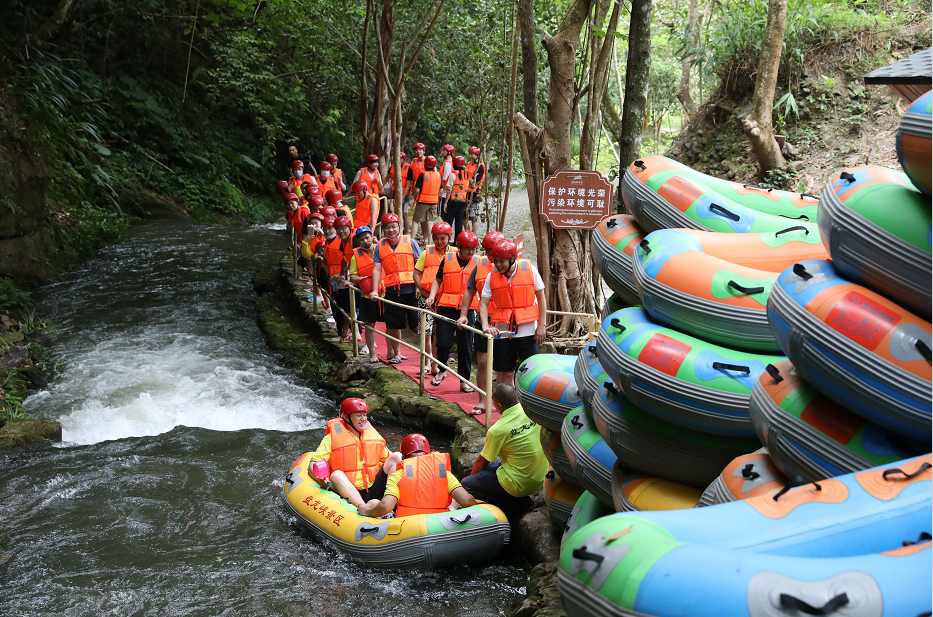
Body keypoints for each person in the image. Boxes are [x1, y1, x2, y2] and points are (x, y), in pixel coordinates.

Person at [461, 384, 548, 516]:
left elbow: (481, 463)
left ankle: (516, 503)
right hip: (540, 479)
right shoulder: (531, 412)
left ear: (499, 406)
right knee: (493, 462)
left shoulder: (498, 430)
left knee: (467, 484)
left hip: (519, 485)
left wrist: (468, 487)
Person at [308, 398, 403, 509]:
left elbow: (390, 460)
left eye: (364, 415)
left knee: (397, 456)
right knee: (336, 475)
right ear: (346, 417)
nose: (363, 419)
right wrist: (320, 478)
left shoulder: (372, 437)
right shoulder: (331, 439)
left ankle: (392, 503)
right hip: (349, 491)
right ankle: (364, 508)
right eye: (358, 415)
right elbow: (313, 463)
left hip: (373, 487)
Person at [358, 433, 476, 517]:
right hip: (440, 525)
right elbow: (466, 501)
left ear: (403, 456)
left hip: (408, 527)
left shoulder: (398, 475)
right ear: (428, 454)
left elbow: (385, 506)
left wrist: (366, 511)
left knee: (373, 503)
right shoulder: (444, 474)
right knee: (452, 500)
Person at [479, 240, 546, 387]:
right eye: (496, 261)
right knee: (505, 372)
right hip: (502, 331)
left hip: (528, 331)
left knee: (532, 372)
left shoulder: (530, 269)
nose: (498, 264)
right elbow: (483, 304)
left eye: (502, 261)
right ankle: (508, 407)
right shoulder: (492, 276)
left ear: (512, 259)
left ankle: (529, 406)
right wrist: (485, 325)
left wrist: (542, 326)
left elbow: (541, 298)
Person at [457, 231, 505, 413]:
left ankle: (503, 404)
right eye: (488, 251)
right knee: (483, 361)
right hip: (484, 319)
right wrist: (463, 314)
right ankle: (483, 401)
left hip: (505, 320)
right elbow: (469, 291)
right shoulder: (481, 266)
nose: (492, 255)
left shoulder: (513, 265)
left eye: (494, 250)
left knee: (504, 364)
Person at [425, 230, 479, 391]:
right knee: (443, 342)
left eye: (473, 249)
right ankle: (442, 370)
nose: (470, 252)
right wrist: (432, 296)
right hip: (446, 307)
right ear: (459, 247)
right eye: (467, 248)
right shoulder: (447, 259)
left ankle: (464, 380)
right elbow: (437, 279)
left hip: (467, 309)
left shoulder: (478, 262)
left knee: (466, 347)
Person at [370, 213, 422, 364]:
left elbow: (420, 267)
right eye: (387, 227)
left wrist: (420, 286)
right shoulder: (380, 246)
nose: (391, 230)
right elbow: (377, 269)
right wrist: (374, 289)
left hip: (412, 290)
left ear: (399, 226)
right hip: (392, 290)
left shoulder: (411, 242)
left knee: (416, 324)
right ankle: (397, 354)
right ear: (383, 229)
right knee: (394, 324)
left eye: (394, 226)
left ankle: (428, 355)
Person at [413, 221, 452, 382]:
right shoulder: (426, 252)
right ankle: (426, 362)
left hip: (445, 300)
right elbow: (416, 273)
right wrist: (421, 290)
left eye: (443, 238)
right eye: (436, 238)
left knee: (439, 333)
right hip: (426, 297)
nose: (439, 241)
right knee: (426, 331)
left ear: (449, 238)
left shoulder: (454, 254)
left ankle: (436, 364)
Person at [348, 226, 383, 363]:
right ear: (358, 241)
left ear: (371, 236)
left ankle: (394, 353)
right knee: (369, 325)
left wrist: (378, 243)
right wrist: (363, 279)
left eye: (367, 237)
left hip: (384, 292)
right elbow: (352, 276)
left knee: (391, 324)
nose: (365, 241)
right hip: (367, 295)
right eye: (361, 239)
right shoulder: (355, 256)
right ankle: (372, 353)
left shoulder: (379, 248)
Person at [327, 216, 355, 342]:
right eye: (338, 229)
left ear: (349, 228)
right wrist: (342, 274)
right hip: (351, 277)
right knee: (346, 306)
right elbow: (345, 259)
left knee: (353, 307)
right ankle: (349, 331)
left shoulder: (355, 240)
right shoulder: (344, 242)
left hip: (361, 277)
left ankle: (347, 330)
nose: (341, 231)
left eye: (344, 228)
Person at [412, 155, 442, 243]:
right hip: (434, 202)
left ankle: (411, 241)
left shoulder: (423, 174)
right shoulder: (438, 175)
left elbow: (417, 189)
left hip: (422, 201)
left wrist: (414, 196)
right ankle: (429, 242)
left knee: (415, 221)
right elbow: (441, 190)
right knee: (430, 221)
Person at [442, 155, 470, 239]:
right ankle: (457, 241)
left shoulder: (453, 175)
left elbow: (449, 190)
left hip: (453, 201)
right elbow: (467, 187)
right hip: (462, 201)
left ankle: (447, 238)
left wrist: (445, 203)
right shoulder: (466, 174)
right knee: (459, 222)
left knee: (448, 221)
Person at [403, 143, 427, 236]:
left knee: (423, 217)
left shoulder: (428, 161)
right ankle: (424, 237)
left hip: (425, 191)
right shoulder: (413, 161)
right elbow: (410, 177)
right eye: (416, 150)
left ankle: (425, 237)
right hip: (416, 191)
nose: (418, 152)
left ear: (424, 151)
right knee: (420, 216)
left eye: (420, 150)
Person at [466, 147, 486, 233]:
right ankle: (467, 232)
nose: (470, 156)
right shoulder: (469, 164)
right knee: (465, 215)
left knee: (474, 216)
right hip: (466, 192)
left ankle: (473, 234)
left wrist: (467, 178)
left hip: (475, 193)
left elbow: (477, 180)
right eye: (469, 154)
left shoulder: (480, 166)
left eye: (472, 154)